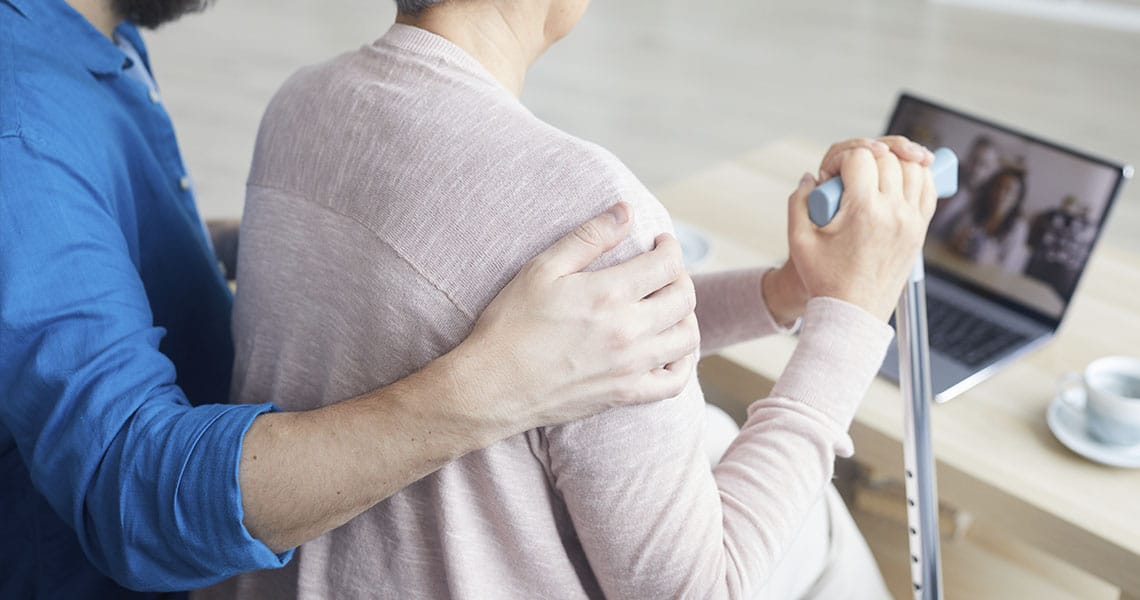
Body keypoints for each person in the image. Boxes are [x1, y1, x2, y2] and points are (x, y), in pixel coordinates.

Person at [200, 1, 938, 598]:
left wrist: (784, 294)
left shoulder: (302, 104)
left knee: (712, 434)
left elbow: (542, 322)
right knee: (821, 528)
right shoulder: (586, 206)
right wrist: (854, 311)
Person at [0, 0, 704, 597]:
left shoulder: (93, 32)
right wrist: (494, 386)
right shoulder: (21, 122)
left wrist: (309, 236)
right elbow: (134, 498)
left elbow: (91, 241)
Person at [947, 166, 1031, 273]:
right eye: (998, 187)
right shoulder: (973, 210)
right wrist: (957, 242)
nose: (1001, 194)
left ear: (1017, 198)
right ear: (990, 189)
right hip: (956, 268)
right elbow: (952, 237)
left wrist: (987, 258)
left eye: (1009, 190)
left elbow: (1009, 268)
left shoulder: (1019, 228)